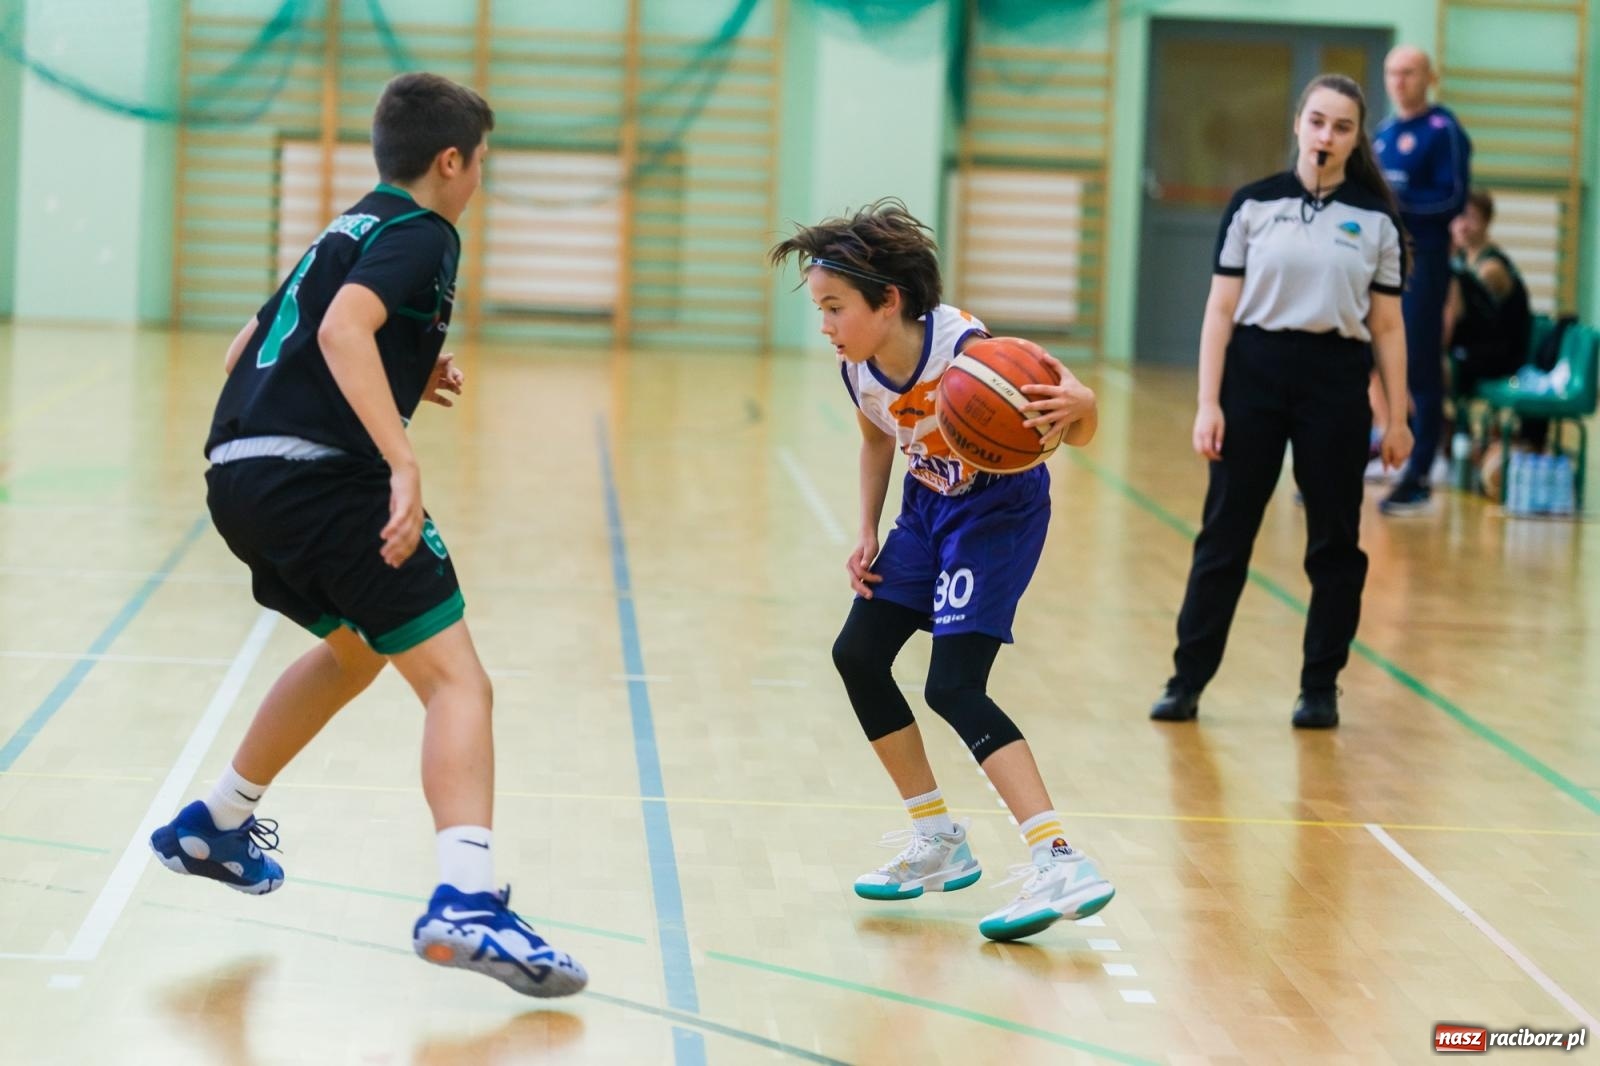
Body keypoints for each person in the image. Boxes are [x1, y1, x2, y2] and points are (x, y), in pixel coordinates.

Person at [148, 73, 586, 998]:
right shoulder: (427, 233)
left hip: (239, 474)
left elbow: (250, 347)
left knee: (355, 651)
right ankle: (466, 898)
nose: (479, 184)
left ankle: (218, 822)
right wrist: (401, 459)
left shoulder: (348, 225)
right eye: (480, 166)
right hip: (321, 482)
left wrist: (401, 371)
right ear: (451, 159)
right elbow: (349, 327)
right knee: (459, 681)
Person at [767, 199, 1115, 943]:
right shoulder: (858, 369)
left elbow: (1076, 426)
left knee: (954, 685)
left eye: (834, 307)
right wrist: (866, 526)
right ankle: (939, 840)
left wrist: (1082, 404)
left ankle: (1061, 859)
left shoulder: (974, 353)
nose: (823, 324)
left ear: (888, 301)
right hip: (925, 511)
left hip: (997, 514)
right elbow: (876, 440)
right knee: (858, 656)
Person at [1149, 74, 1413, 730]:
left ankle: (1319, 687)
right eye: (1318, 121)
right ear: (1298, 124)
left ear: (1356, 138)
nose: (1327, 135)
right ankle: (1187, 681)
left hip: (1336, 382)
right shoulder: (1252, 205)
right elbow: (1219, 310)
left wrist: (1398, 416)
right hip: (1254, 377)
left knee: (1334, 544)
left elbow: (1387, 326)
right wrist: (1209, 403)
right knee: (1224, 538)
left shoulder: (1376, 221)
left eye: (1342, 127)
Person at [1374, 45, 1472, 514]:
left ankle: (1421, 473)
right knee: (1366, 360)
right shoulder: (1385, 132)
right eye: (1392, 72)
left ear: (1429, 77)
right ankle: (1362, 454)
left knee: (1419, 366)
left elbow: (1453, 198)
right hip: (1379, 262)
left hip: (1425, 262)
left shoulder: (1443, 131)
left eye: (1409, 72)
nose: (1399, 81)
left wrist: (1399, 206)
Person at [1445, 187, 1532, 397]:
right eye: (1460, 217)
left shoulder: (1491, 267)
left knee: (1430, 366)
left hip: (1500, 356)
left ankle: (1440, 422)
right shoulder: (1462, 259)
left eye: (1471, 218)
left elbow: (1459, 313)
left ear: (1487, 222)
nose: (1463, 226)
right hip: (1476, 350)